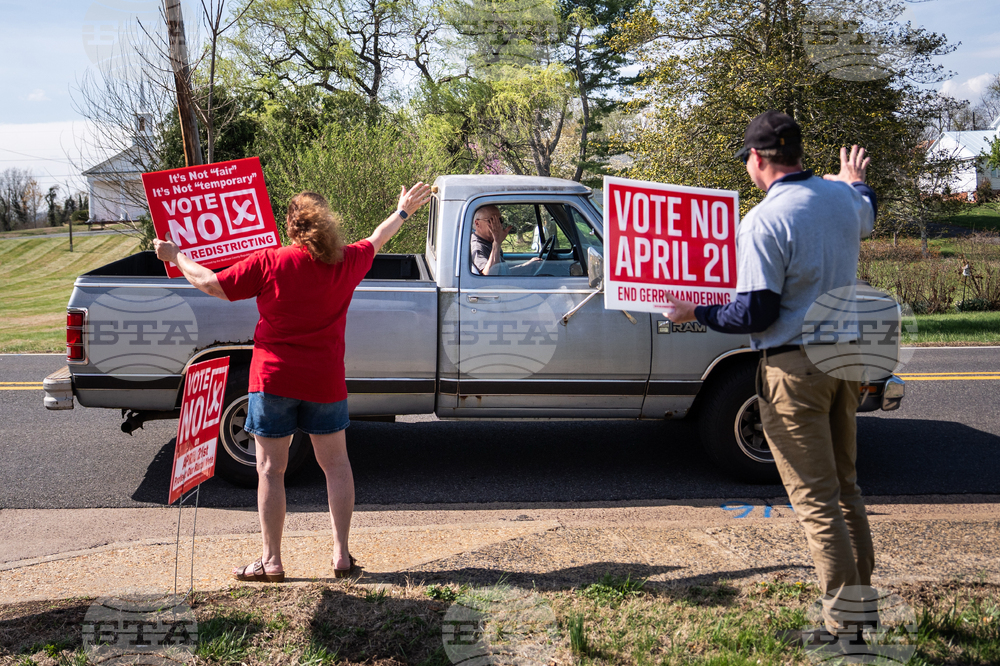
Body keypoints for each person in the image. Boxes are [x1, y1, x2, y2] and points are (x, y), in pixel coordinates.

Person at [663, 111, 878, 647]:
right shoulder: (842, 199)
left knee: (816, 502)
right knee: (846, 490)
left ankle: (846, 633)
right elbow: (867, 209)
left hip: (795, 367)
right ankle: (861, 610)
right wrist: (857, 182)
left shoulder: (764, 220)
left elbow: (755, 313)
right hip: (847, 359)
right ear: (798, 154)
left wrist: (698, 312)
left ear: (758, 160)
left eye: (749, 164)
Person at [154, 183, 432, 582]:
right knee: (336, 466)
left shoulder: (270, 261)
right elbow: (378, 237)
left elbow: (212, 284)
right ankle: (340, 555)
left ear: (291, 225)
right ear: (327, 224)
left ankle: (272, 562)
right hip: (325, 380)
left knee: (270, 469)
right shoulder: (347, 260)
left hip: (273, 378)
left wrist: (176, 255)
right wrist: (403, 210)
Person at [470, 204, 540, 275]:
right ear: (477, 223)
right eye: (492, 220)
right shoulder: (477, 246)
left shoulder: (489, 242)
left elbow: (502, 273)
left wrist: (526, 267)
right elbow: (488, 276)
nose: (498, 224)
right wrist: (497, 243)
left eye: (500, 220)